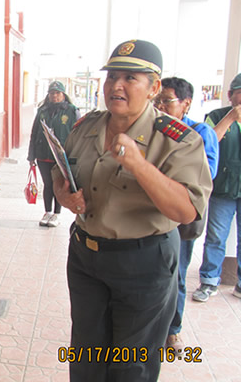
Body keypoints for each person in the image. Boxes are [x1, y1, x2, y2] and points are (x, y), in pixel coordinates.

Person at [52, 39, 212, 381]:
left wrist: (140, 165)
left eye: (130, 78)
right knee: (85, 356)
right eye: (111, 77)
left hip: (144, 263)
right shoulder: (86, 127)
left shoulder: (178, 140)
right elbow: (60, 170)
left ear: (154, 87)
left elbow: (186, 211)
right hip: (85, 258)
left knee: (131, 366)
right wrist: (64, 196)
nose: (116, 86)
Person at [154, 77, 219, 349]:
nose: (159, 106)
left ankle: (173, 329)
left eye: (166, 101)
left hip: (180, 219)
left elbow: (206, 175)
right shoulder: (151, 131)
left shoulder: (200, 133)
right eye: (156, 101)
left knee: (176, 274)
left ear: (186, 104)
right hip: (153, 216)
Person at [193, 72, 241, 302]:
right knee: (216, 236)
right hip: (223, 188)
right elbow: (208, 142)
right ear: (231, 95)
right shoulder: (216, 116)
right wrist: (231, 118)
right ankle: (209, 281)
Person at [27, 80, 79, 227]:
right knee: (47, 184)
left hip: (61, 156)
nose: (54, 96)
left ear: (63, 95)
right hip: (43, 154)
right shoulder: (42, 111)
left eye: (57, 93)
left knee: (59, 184)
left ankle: (56, 214)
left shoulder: (71, 110)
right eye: (51, 93)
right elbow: (34, 132)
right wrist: (31, 155)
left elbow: (78, 134)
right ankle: (47, 212)